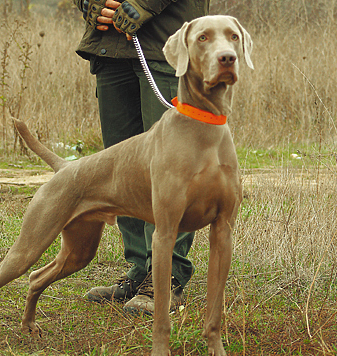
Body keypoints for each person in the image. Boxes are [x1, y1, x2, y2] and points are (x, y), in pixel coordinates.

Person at [74, 0, 210, 314]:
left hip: (165, 45)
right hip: (111, 49)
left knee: (172, 168)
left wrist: (141, 5)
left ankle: (167, 276)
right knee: (123, 170)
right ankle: (139, 269)